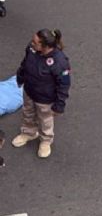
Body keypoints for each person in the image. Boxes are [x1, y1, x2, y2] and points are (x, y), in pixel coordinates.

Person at [12, 29, 71, 159]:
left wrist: (59, 105)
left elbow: (64, 84)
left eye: (35, 42)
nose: (31, 43)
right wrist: (20, 77)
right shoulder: (32, 49)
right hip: (29, 91)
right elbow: (24, 63)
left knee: (45, 120)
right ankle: (29, 132)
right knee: (28, 112)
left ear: (45, 46)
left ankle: (46, 140)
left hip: (45, 99)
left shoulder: (59, 61)